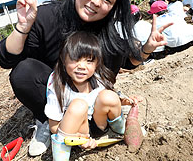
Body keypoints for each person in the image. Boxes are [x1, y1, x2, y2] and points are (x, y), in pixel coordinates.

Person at [0, 0, 171, 156]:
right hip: (56, 96)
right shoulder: (47, 16)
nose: (96, 2)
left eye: (107, 0)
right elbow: (6, 60)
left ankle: (105, 120)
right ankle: (46, 122)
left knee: (108, 55)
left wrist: (147, 48)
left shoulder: (108, 29)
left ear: (113, 7)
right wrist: (23, 26)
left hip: (92, 103)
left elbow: (128, 61)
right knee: (23, 72)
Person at [45, 31, 141, 159]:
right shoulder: (57, 83)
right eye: (75, 59)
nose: (82, 66)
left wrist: (124, 101)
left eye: (89, 61)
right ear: (63, 59)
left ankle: (121, 130)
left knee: (109, 96)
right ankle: (61, 156)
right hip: (74, 132)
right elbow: (53, 127)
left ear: (96, 64)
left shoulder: (97, 77)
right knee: (79, 105)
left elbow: (108, 101)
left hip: (98, 123)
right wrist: (79, 138)